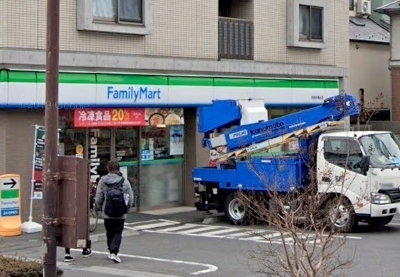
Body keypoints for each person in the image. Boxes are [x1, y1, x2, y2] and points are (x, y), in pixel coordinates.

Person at [95, 160, 134, 263]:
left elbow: (99, 197)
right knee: (118, 232)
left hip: (107, 213)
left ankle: (110, 250)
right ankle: (114, 252)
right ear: (118, 169)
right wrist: (127, 208)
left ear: (108, 169)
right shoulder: (124, 181)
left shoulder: (103, 181)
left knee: (109, 231)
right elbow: (130, 197)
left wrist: (99, 208)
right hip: (120, 213)